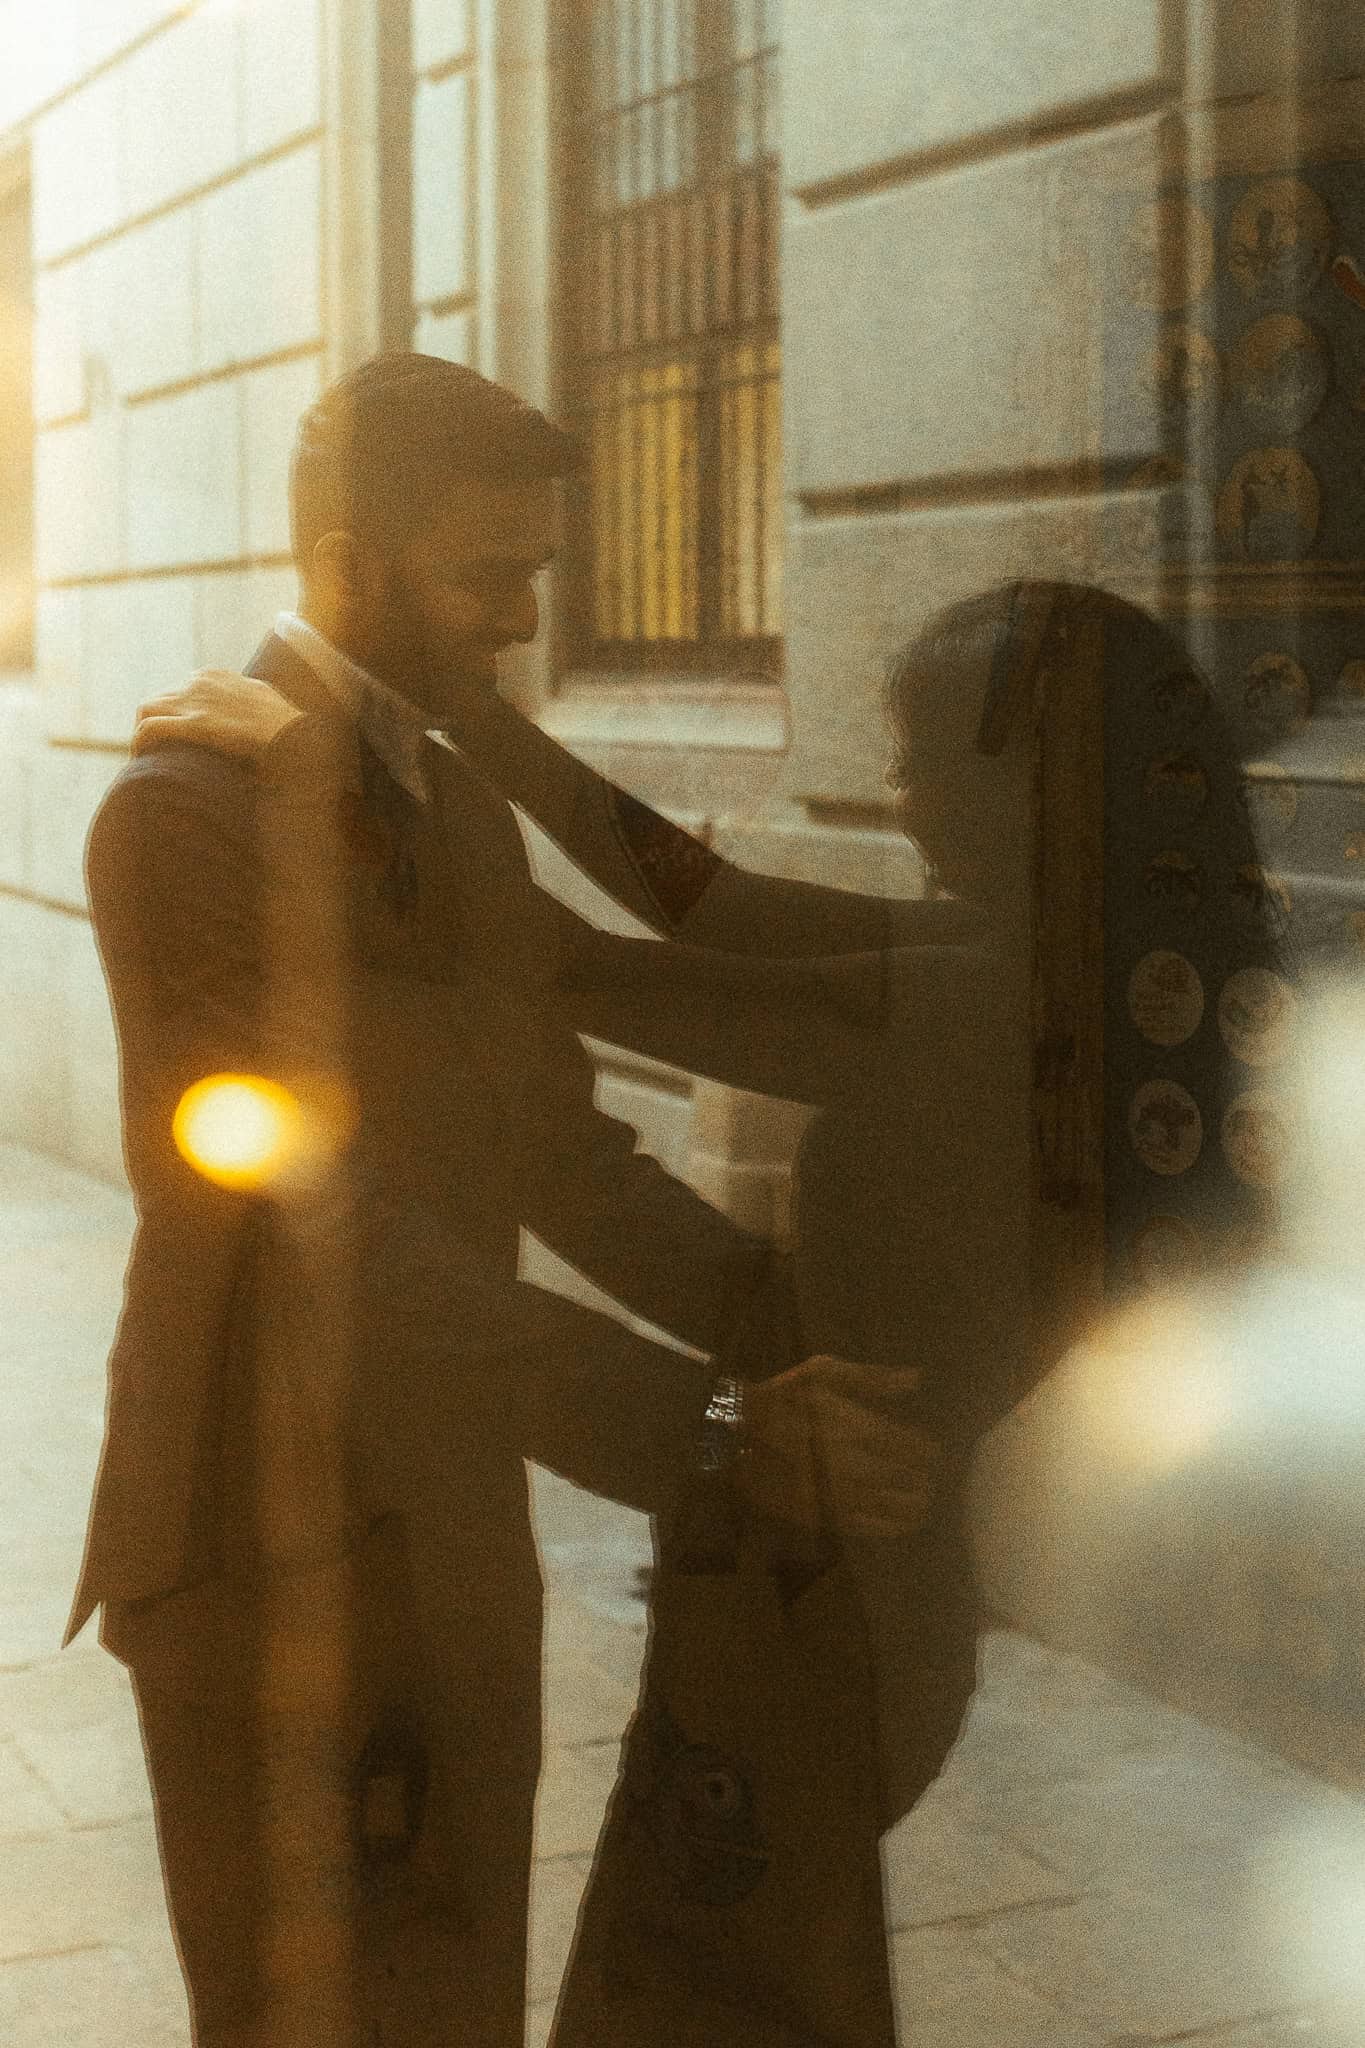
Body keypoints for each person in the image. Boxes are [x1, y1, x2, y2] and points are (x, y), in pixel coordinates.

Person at [72, 351, 939, 2048]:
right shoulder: (178, 816)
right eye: (487, 578)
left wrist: (802, 1341)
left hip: (449, 1519)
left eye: (537, 578)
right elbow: (320, 1230)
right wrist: (708, 1427)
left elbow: (566, 1156)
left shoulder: (455, 809)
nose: (519, 623)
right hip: (255, 1543)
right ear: (339, 562)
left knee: (452, 2004)